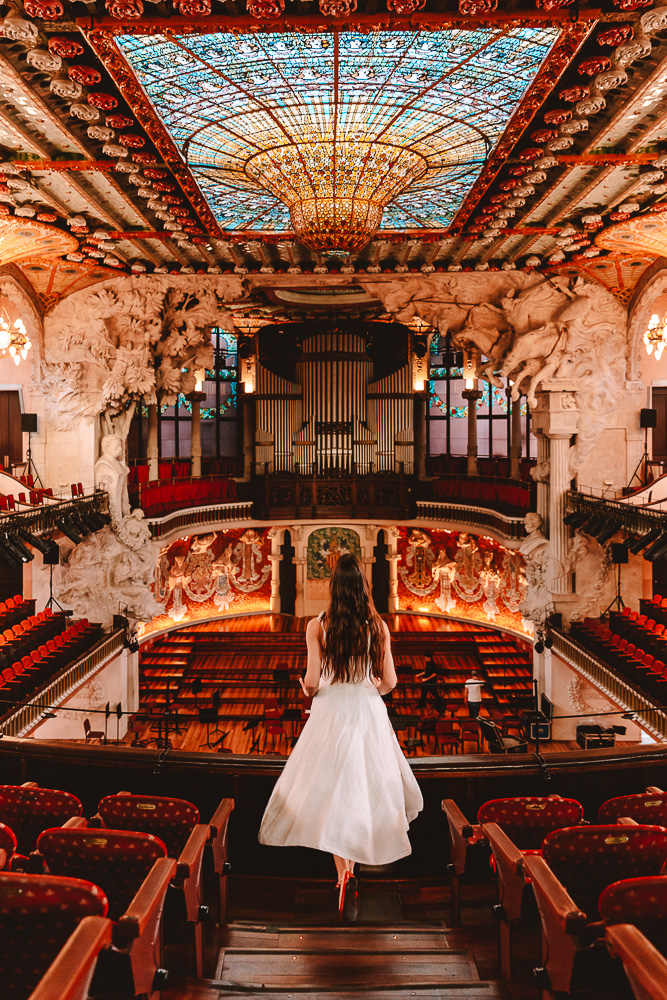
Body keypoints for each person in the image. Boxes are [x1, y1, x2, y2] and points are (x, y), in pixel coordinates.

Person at [258, 553, 423, 920]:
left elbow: (314, 682)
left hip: (331, 711)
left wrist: (306, 688)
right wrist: (368, 690)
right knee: (363, 787)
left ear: (333, 589)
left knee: (332, 790)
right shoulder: (378, 626)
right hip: (366, 710)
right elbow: (391, 682)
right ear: (363, 588)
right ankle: (350, 870)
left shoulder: (317, 625)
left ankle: (343, 873)